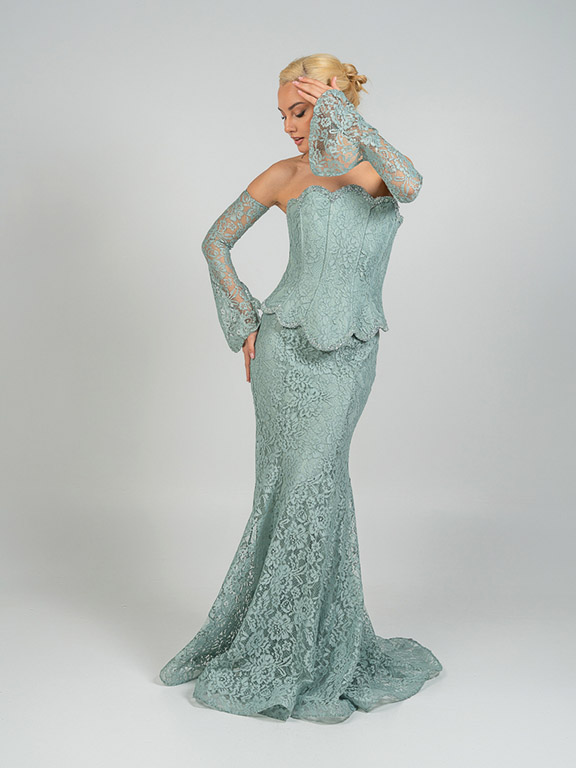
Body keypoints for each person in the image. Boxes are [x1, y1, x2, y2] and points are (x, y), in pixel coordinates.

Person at [158, 53, 443, 723]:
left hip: (349, 352)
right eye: (284, 113)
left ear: (336, 103)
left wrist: (350, 123)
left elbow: (412, 184)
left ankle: (312, 647)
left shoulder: (375, 173)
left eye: (301, 110)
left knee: (318, 480)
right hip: (282, 349)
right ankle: (271, 642)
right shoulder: (284, 175)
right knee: (284, 486)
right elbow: (215, 242)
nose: (289, 126)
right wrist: (244, 319)